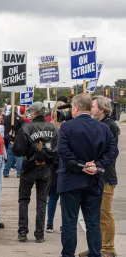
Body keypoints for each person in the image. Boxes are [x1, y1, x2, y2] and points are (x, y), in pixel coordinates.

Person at [57, 94, 118, 257]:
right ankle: (95, 253)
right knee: (93, 222)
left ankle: (68, 254)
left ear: (76, 107)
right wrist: (97, 165)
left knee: (69, 222)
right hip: (94, 181)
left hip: (71, 180)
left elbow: (63, 151)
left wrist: (80, 166)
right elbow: (113, 151)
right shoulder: (103, 127)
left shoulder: (67, 127)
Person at [78, 96, 120, 257]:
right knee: (94, 213)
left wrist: (96, 163)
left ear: (102, 109)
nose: (90, 110)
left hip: (106, 176)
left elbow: (109, 153)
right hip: (95, 174)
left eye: (93, 107)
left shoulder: (109, 126)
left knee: (104, 213)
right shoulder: (98, 125)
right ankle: (97, 247)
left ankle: (108, 248)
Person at [12, 102, 58, 243]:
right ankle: (39, 234)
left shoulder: (27, 127)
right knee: (42, 201)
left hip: (29, 167)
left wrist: (28, 150)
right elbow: (56, 150)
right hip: (45, 168)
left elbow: (17, 150)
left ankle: (22, 232)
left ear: (33, 112)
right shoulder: (53, 128)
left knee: (24, 200)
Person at [46, 101, 66, 234]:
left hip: (52, 165)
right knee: (65, 198)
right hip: (65, 165)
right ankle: (65, 224)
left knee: (52, 196)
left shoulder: (49, 127)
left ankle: (49, 223)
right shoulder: (68, 127)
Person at [3, 106, 25, 178]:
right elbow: (24, 126)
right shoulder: (19, 118)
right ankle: (19, 172)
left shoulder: (6, 118)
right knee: (18, 157)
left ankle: (6, 171)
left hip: (9, 140)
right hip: (17, 140)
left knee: (10, 157)